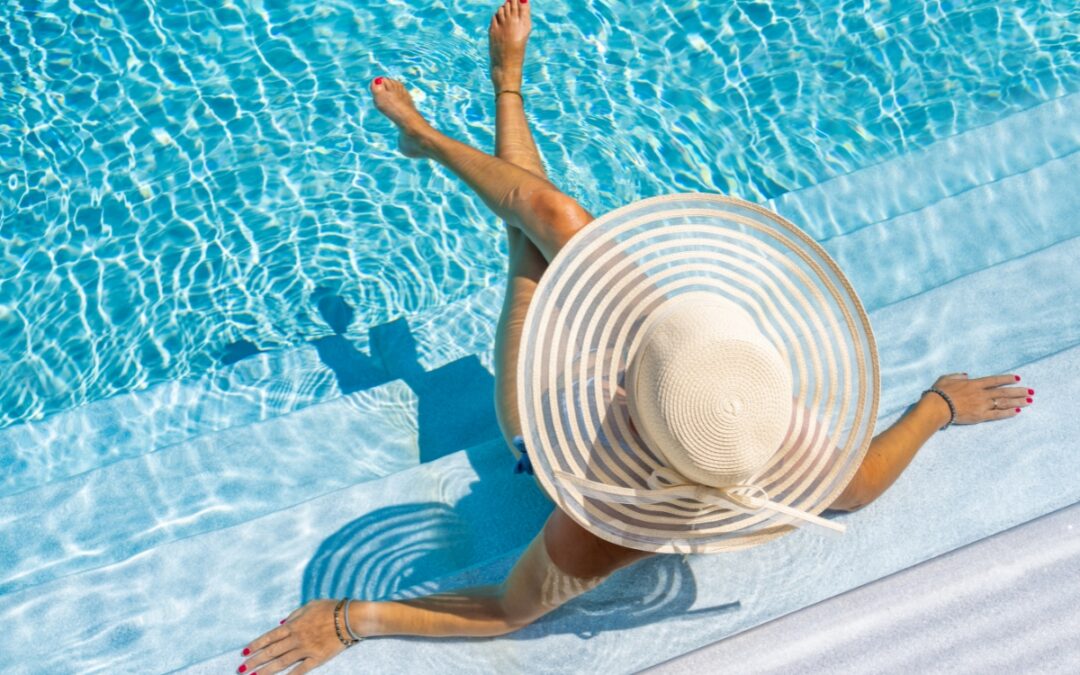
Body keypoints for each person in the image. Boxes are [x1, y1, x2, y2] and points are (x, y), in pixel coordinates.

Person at [237, 1, 1035, 672]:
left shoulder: (602, 522)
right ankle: (475, 116)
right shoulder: (752, 415)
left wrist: (348, 620)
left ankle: (467, 112)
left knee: (529, 252)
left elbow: (508, 609)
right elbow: (858, 483)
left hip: (545, 419)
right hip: (666, 362)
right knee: (555, 221)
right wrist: (935, 407)